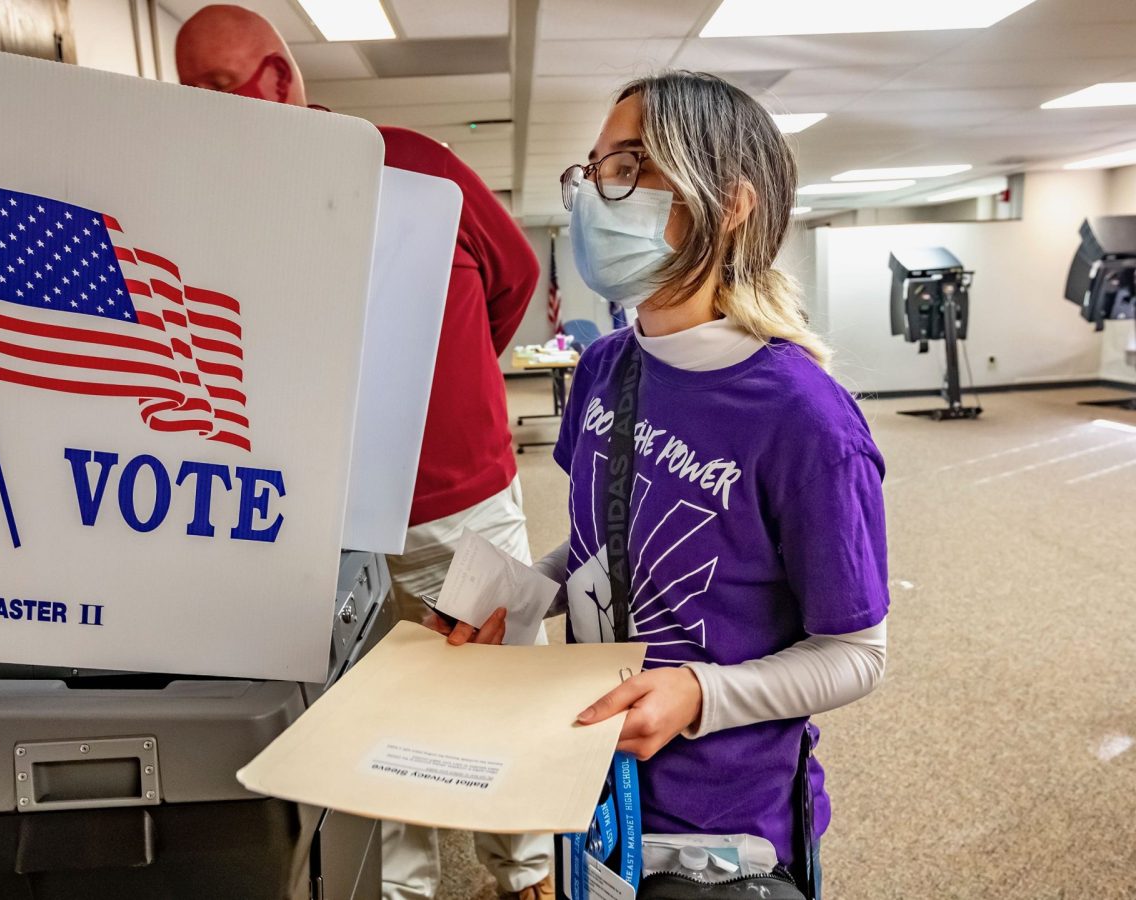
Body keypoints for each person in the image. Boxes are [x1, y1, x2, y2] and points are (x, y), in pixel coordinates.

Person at [434, 71, 890, 899]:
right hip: (594, 782)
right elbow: (600, 544)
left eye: (631, 166)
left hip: (726, 826)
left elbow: (856, 655)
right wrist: (522, 594)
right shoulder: (606, 368)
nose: (597, 195)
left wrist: (700, 694)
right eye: (595, 168)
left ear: (729, 203)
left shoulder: (805, 418)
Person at [174, 8, 551, 900]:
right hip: (330, 518)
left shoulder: (420, 166)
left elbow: (515, 281)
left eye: (216, 88)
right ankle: (400, 886)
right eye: (186, 93)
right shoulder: (216, 201)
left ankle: (524, 873)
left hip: (463, 499)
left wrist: (447, 379)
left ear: (277, 78)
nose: (200, 111)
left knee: (493, 696)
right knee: (374, 715)